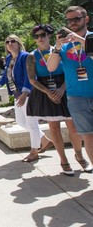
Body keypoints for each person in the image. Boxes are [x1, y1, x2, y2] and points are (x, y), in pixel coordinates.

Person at [26, 24, 92, 175]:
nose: (40, 38)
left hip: (66, 88)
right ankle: (63, 160)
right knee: (54, 127)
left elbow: (71, 69)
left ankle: (80, 156)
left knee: (73, 127)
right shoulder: (32, 56)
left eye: (43, 35)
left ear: (49, 35)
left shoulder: (63, 49)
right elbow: (31, 79)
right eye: (36, 36)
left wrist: (62, 88)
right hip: (46, 92)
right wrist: (49, 93)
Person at [0, 35, 51, 162]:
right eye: (7, 41)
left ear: (18, 43)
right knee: (21, 122)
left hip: (28, 94)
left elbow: (31, 77)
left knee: (31, 123)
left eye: (13, 41)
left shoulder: (25, 56)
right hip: (18, 95)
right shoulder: (9, 58)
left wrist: (24, 93)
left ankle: (34, 152)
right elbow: (6, 76)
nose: (10, 43)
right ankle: (44, 140)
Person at [47, 6, 93, 167]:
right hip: (77, 98)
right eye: (69, 20)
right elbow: (51, 67)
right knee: (88, 137)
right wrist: (57, 47)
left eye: (77, 19)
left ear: (86, 19)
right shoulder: (64, 46)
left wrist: (80, 40)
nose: (73, 23)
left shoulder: (91, 38)